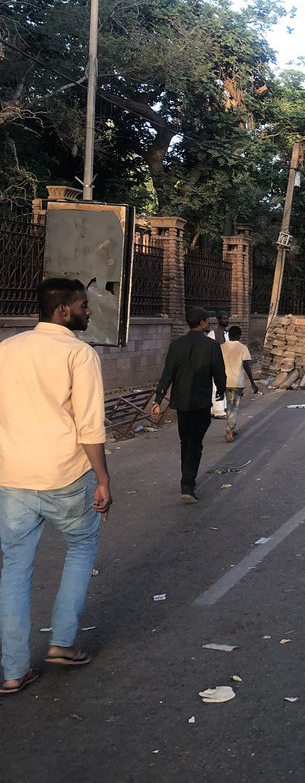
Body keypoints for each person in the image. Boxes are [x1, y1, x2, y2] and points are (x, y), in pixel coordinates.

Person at [0, 278, 113, 695]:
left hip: (12, 477)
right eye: (84, 305)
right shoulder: (79, 354)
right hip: (65, 474)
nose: (89, 312)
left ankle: (14, 670)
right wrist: (103, 478)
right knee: (81, 546)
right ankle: (62, 643)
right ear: (63, 310)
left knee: (14, 569)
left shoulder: (7, 350)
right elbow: (89, 425)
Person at [151, 307, 226, 504]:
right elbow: (219, 371)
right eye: (206, 320)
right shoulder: (211, 346)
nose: (208, 323)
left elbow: (167, 374)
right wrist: (221, 389)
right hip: (201, 401)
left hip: (182, 402)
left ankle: (186, 480)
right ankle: (187, 484)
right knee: (195, 442)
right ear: (201, 322)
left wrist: (158, 399)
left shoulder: (176, 345)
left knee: (186, 441)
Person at [220, 325, 259, 443]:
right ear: (239, 336)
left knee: (228, 405)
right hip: (237, 382)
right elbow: (246, 365)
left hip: (225, 381)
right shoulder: (242, 347)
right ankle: (230, 427)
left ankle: (230, 427)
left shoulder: (221, 347)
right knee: (235, 406)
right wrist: (252, 382)